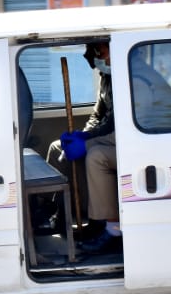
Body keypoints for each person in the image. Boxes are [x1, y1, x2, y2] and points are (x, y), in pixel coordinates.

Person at [49, 43, 121, 254]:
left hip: (125, 142)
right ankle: (63, 212)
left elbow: (119, 126)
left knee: (94, 154)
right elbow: (98, 116)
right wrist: (82, 134)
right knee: (57, 148)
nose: (97, 57)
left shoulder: (128, 75)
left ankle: (111, 228)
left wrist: (88, 140)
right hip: (105, 136)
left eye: (101, 51)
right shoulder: (106, 77)